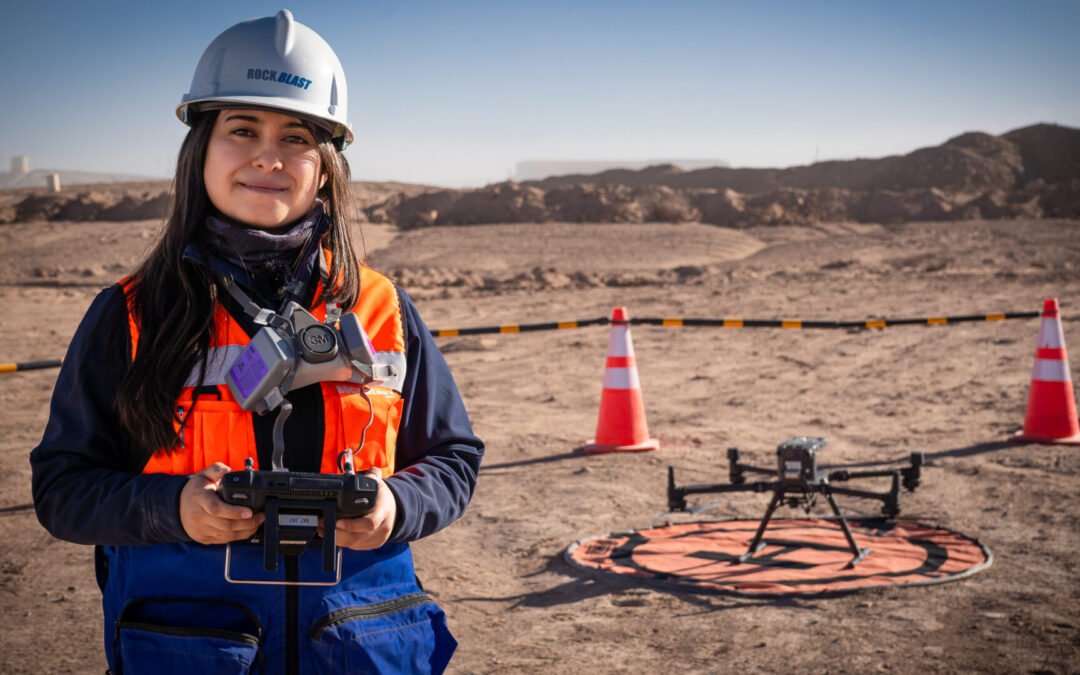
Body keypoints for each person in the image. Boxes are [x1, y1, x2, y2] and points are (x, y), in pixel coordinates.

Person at [30, 9, 483, 674]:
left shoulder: (384, 308)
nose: (268, 157)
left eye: (295, 137)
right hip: (188, 646)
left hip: (359, 644)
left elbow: (453, 458)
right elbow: (63, 489)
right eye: (242, 130)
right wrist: (173, 507)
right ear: (201, 150)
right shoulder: (129, 315)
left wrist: (398, 502)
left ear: (325, 166)